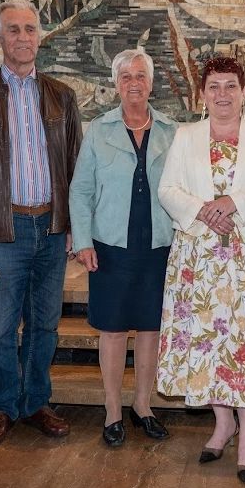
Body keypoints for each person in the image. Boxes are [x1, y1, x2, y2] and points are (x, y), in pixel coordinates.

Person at [0, 0, 82, 447]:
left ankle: (36, 403)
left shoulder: (62, 96)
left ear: (40, 35)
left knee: (45, 325)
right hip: (1, 232)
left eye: (29, 28)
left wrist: (75, 227)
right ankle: (3, 405)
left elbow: (76, 170)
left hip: (52, 229)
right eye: (13, 29)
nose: (23, 37)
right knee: (3, 327)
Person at [157, 56, 245, 483]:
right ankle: (223, 424)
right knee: (209, 342)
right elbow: (168, 189)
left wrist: (233, 204)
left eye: (230, 85)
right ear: (202, 93)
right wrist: (204, 211)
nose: (222, 94)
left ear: (243, 91)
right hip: (198, 258)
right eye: (214, 86)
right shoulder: (185, 136)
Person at [69, 49, 177, 447]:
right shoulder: (99, 130)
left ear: (151, 83)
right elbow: (80, 190)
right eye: (126, 76)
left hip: (159, 245)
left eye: (140, 76)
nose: (134, 83)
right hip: (111, 246)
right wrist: (82, 241)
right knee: (113, 330)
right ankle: (113, 409)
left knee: (150, 329)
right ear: (116, 84)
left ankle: (143, 406)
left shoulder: (171, 131)